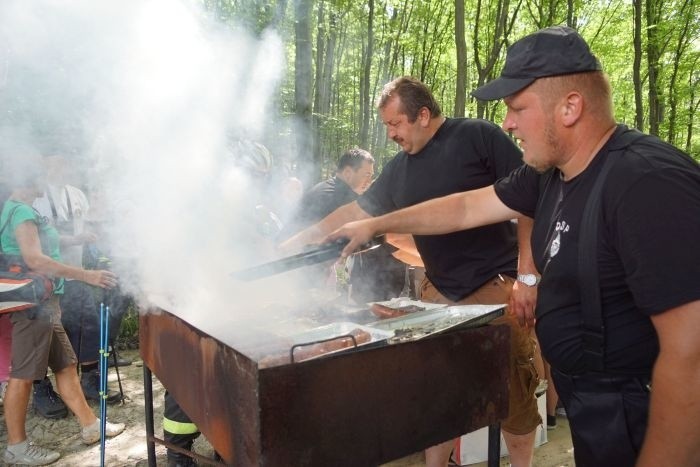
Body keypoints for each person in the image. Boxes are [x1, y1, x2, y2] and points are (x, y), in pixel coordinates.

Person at [326, 26, 700, 467]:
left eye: (517, 108)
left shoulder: (645, 182)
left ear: (570, 107)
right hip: (592, 406)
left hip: (640, 411)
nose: (507, 123)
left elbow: (690, 356)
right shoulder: (548, 175)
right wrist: (375, 224)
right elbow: (463, 208)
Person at [283, 77, 541, 467]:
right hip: (437, 293)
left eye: (396, 123)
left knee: (511, 394)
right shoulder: (399, 169)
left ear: (423, 115)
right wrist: (302, 239)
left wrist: (527, 277)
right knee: (437, 396)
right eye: (386, 125)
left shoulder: (478, 136)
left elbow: (529, 199)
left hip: (496, 288)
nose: (390, 134)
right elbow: (356, 213)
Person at [1, 155, 125, 466]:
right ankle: (16, 448)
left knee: (66, 367)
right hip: (33, 307)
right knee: (23, 377)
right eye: (41, 176)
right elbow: (36, 260)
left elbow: (44, 245)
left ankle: (90, 426)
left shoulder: (19, 211)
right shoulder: (22, 212)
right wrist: (87, 275)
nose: (47, 182)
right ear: (30, 180)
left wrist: (78, 239)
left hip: (45, 306)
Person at [163, 139, 277, 467]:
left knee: (228, 384)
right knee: (186, 381)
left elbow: (257, 250)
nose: (259, 183)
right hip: (196, 305)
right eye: (254, 175)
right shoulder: (199, 202)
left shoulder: (249, 209)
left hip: (234, 306)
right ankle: (178, 451)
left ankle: (223, 445)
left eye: (263, 176)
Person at [32, 154, 121, 416]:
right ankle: (40, 389)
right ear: (44, 164)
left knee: (88, 325)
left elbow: (90, 225)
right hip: (44, 278)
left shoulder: (76, 194)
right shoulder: (35, 198)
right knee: (45, 335)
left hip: (75, 273)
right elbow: (36, 241)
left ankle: (90, 380)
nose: (61, 167)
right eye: (54, 162)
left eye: (64, 162)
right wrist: (74, 238)